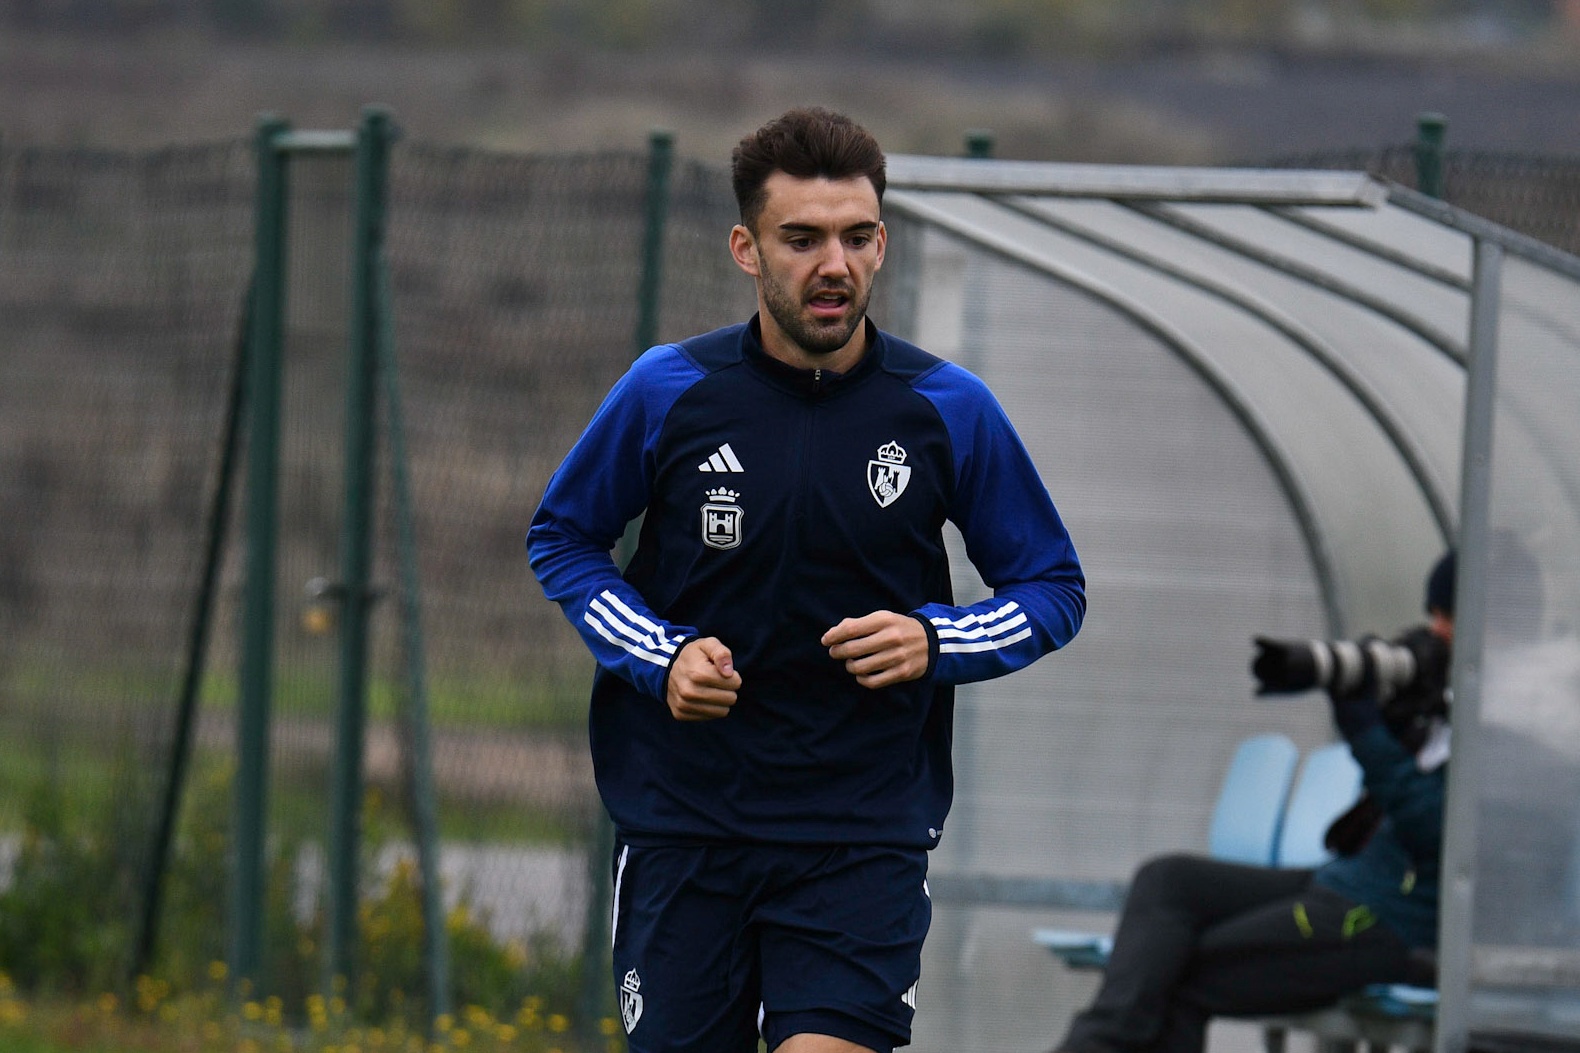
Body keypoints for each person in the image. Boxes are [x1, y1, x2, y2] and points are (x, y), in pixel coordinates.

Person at [527, 108, 1085, 1053]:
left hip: (858, 833)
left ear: (883, 243)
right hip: (685, 823)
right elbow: (564, 537)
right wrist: (660, 658)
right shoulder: (671, 389)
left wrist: (935, 638)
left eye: (857, 236)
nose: (835, 264)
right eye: (803, 238)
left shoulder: (948, 408)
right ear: (747, 248)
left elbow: (1052, 586)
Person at [1050, 552, 1454, 1053]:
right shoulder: (1453, 703)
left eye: (1447, 617)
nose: (1435, 630)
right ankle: (1103, 1040)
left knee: (1176, 973)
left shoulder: (1513, 730)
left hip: (1385, 922)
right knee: (1167, 880)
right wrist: (1399, 716)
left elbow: (1439, 830)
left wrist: (1368, 732)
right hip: (1344, 883)